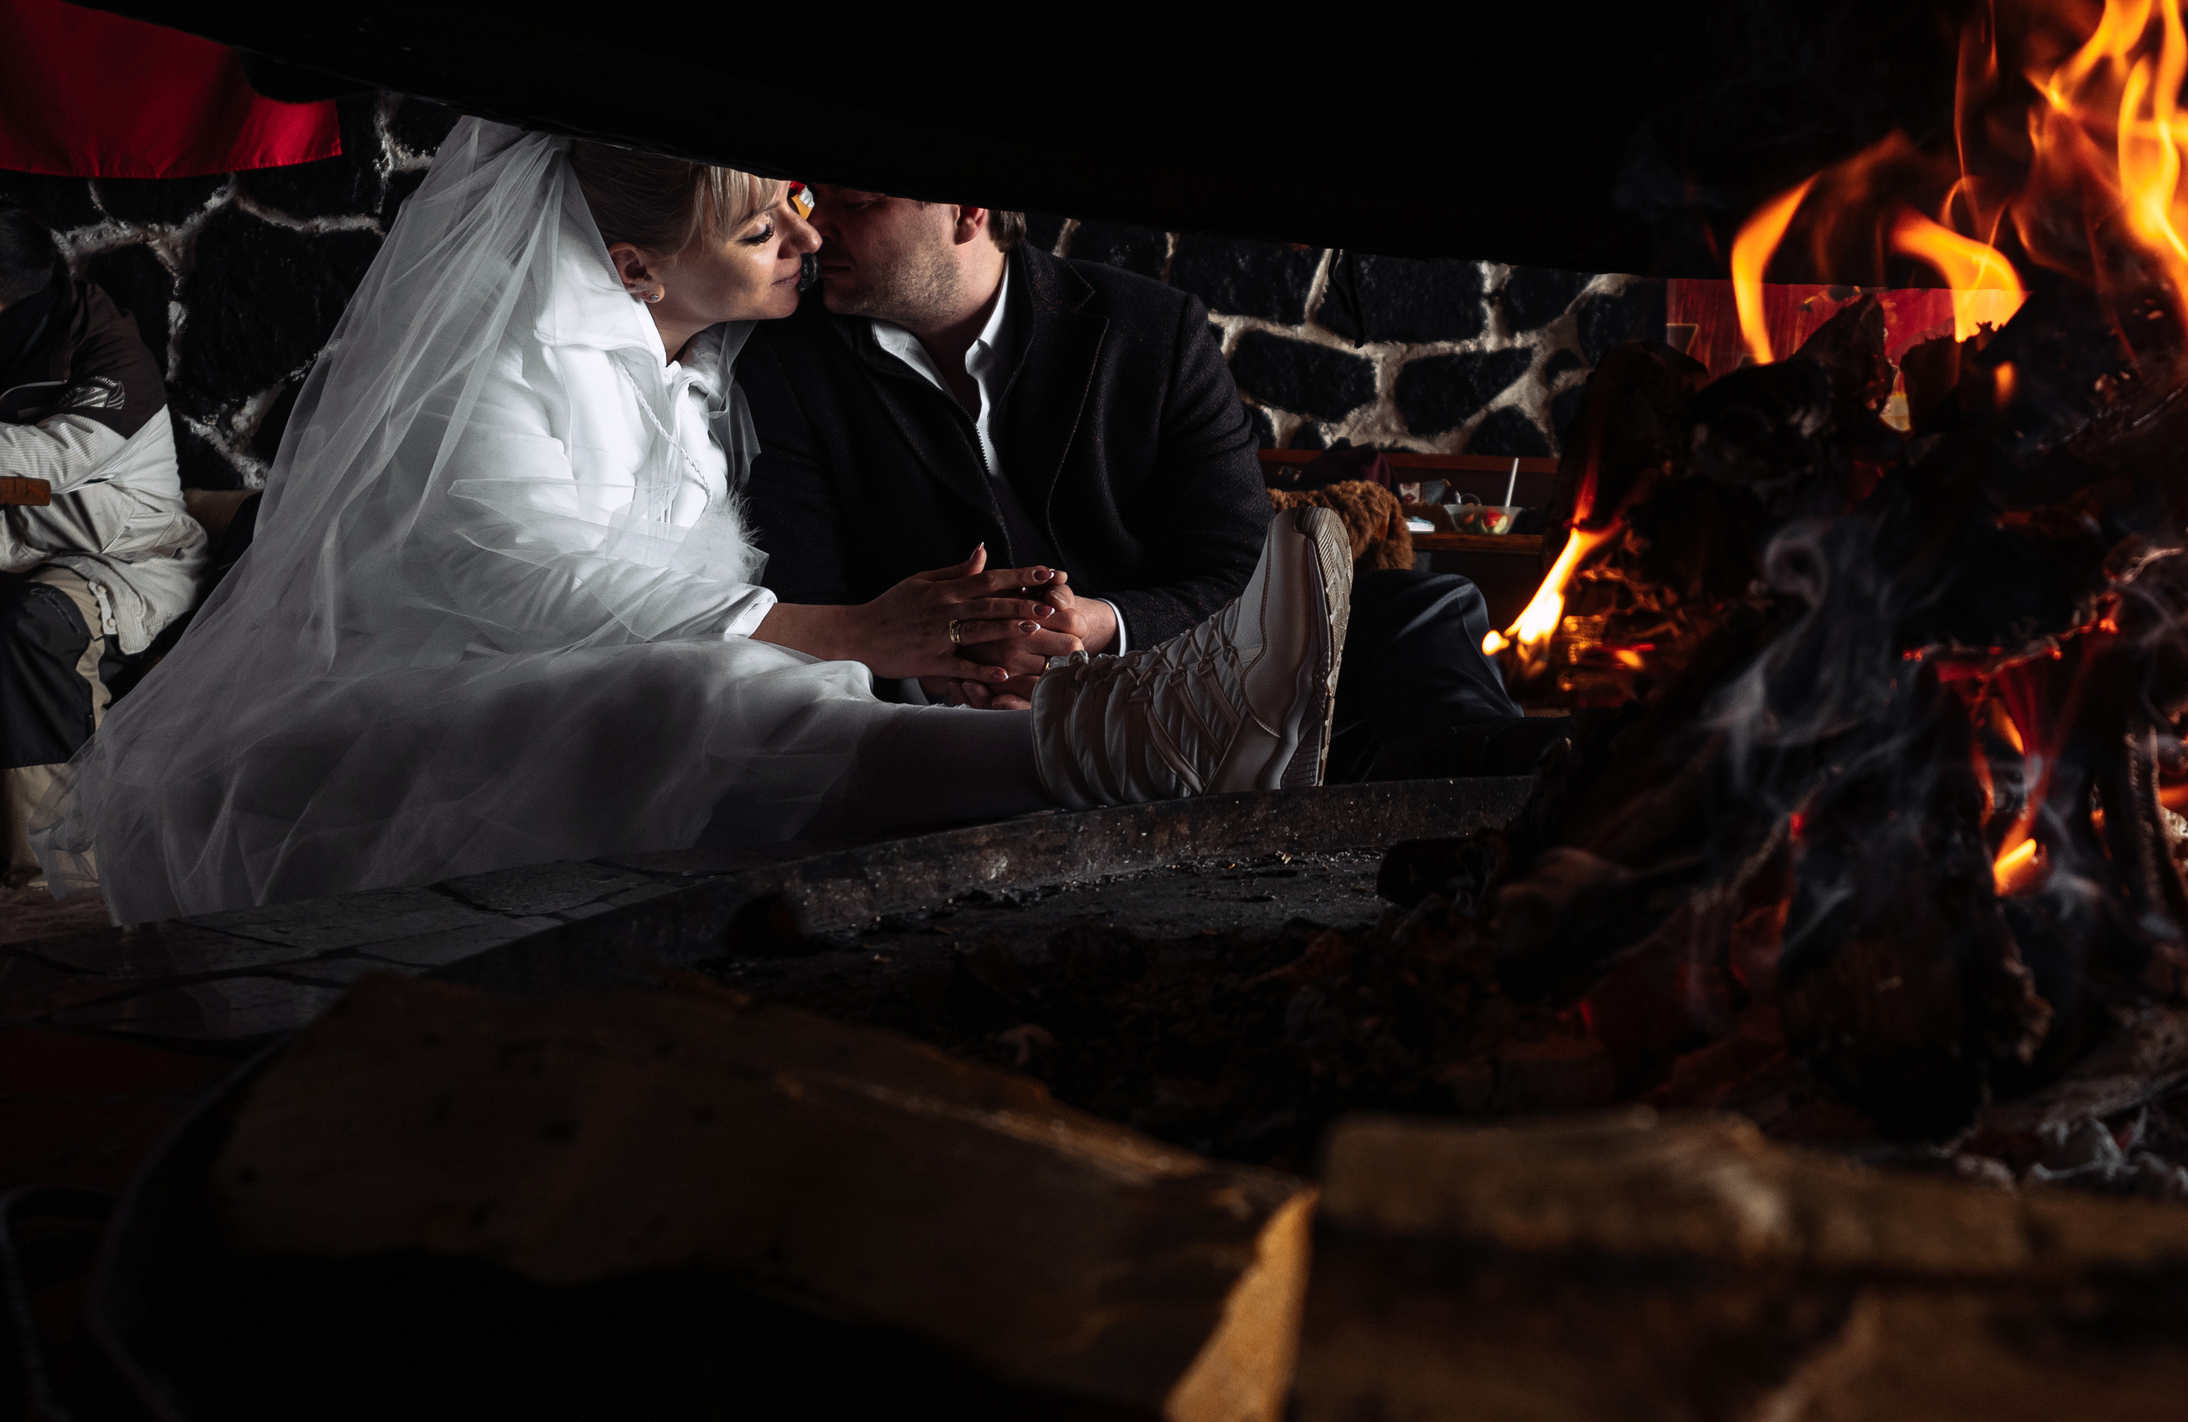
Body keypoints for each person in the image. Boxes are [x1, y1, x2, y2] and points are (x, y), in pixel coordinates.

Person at [35, 126, 1349, 923]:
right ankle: (1115, 755)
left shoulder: (715, 369)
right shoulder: (499, 373)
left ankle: (1120, 740)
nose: (804, 233)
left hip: (594, 691)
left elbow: (1214, 547)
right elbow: (519, 571)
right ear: (635, 267)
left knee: (720, 691)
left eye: (808, 206)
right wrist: (849, 628)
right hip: (399, 723)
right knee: (669, 700)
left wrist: (927, 642)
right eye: (764, 219)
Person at [734, 191, 1529, 771]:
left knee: (1422, 606)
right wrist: (962, 665)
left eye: (857, 202)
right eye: (813, 197)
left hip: (1178, 659)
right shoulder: (788, 361)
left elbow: (1244, 567)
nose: (813, 228)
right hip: (963, 698)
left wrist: (1101, 624)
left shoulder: (1150, 328)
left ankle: (1494, 791)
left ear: (968, 210)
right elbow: (813, 594)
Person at [0, 200, 210, 881]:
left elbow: (50, 467)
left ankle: (58, 870)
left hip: (123, 555)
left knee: (32, 627)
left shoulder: (106, 343)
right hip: (28, 519)